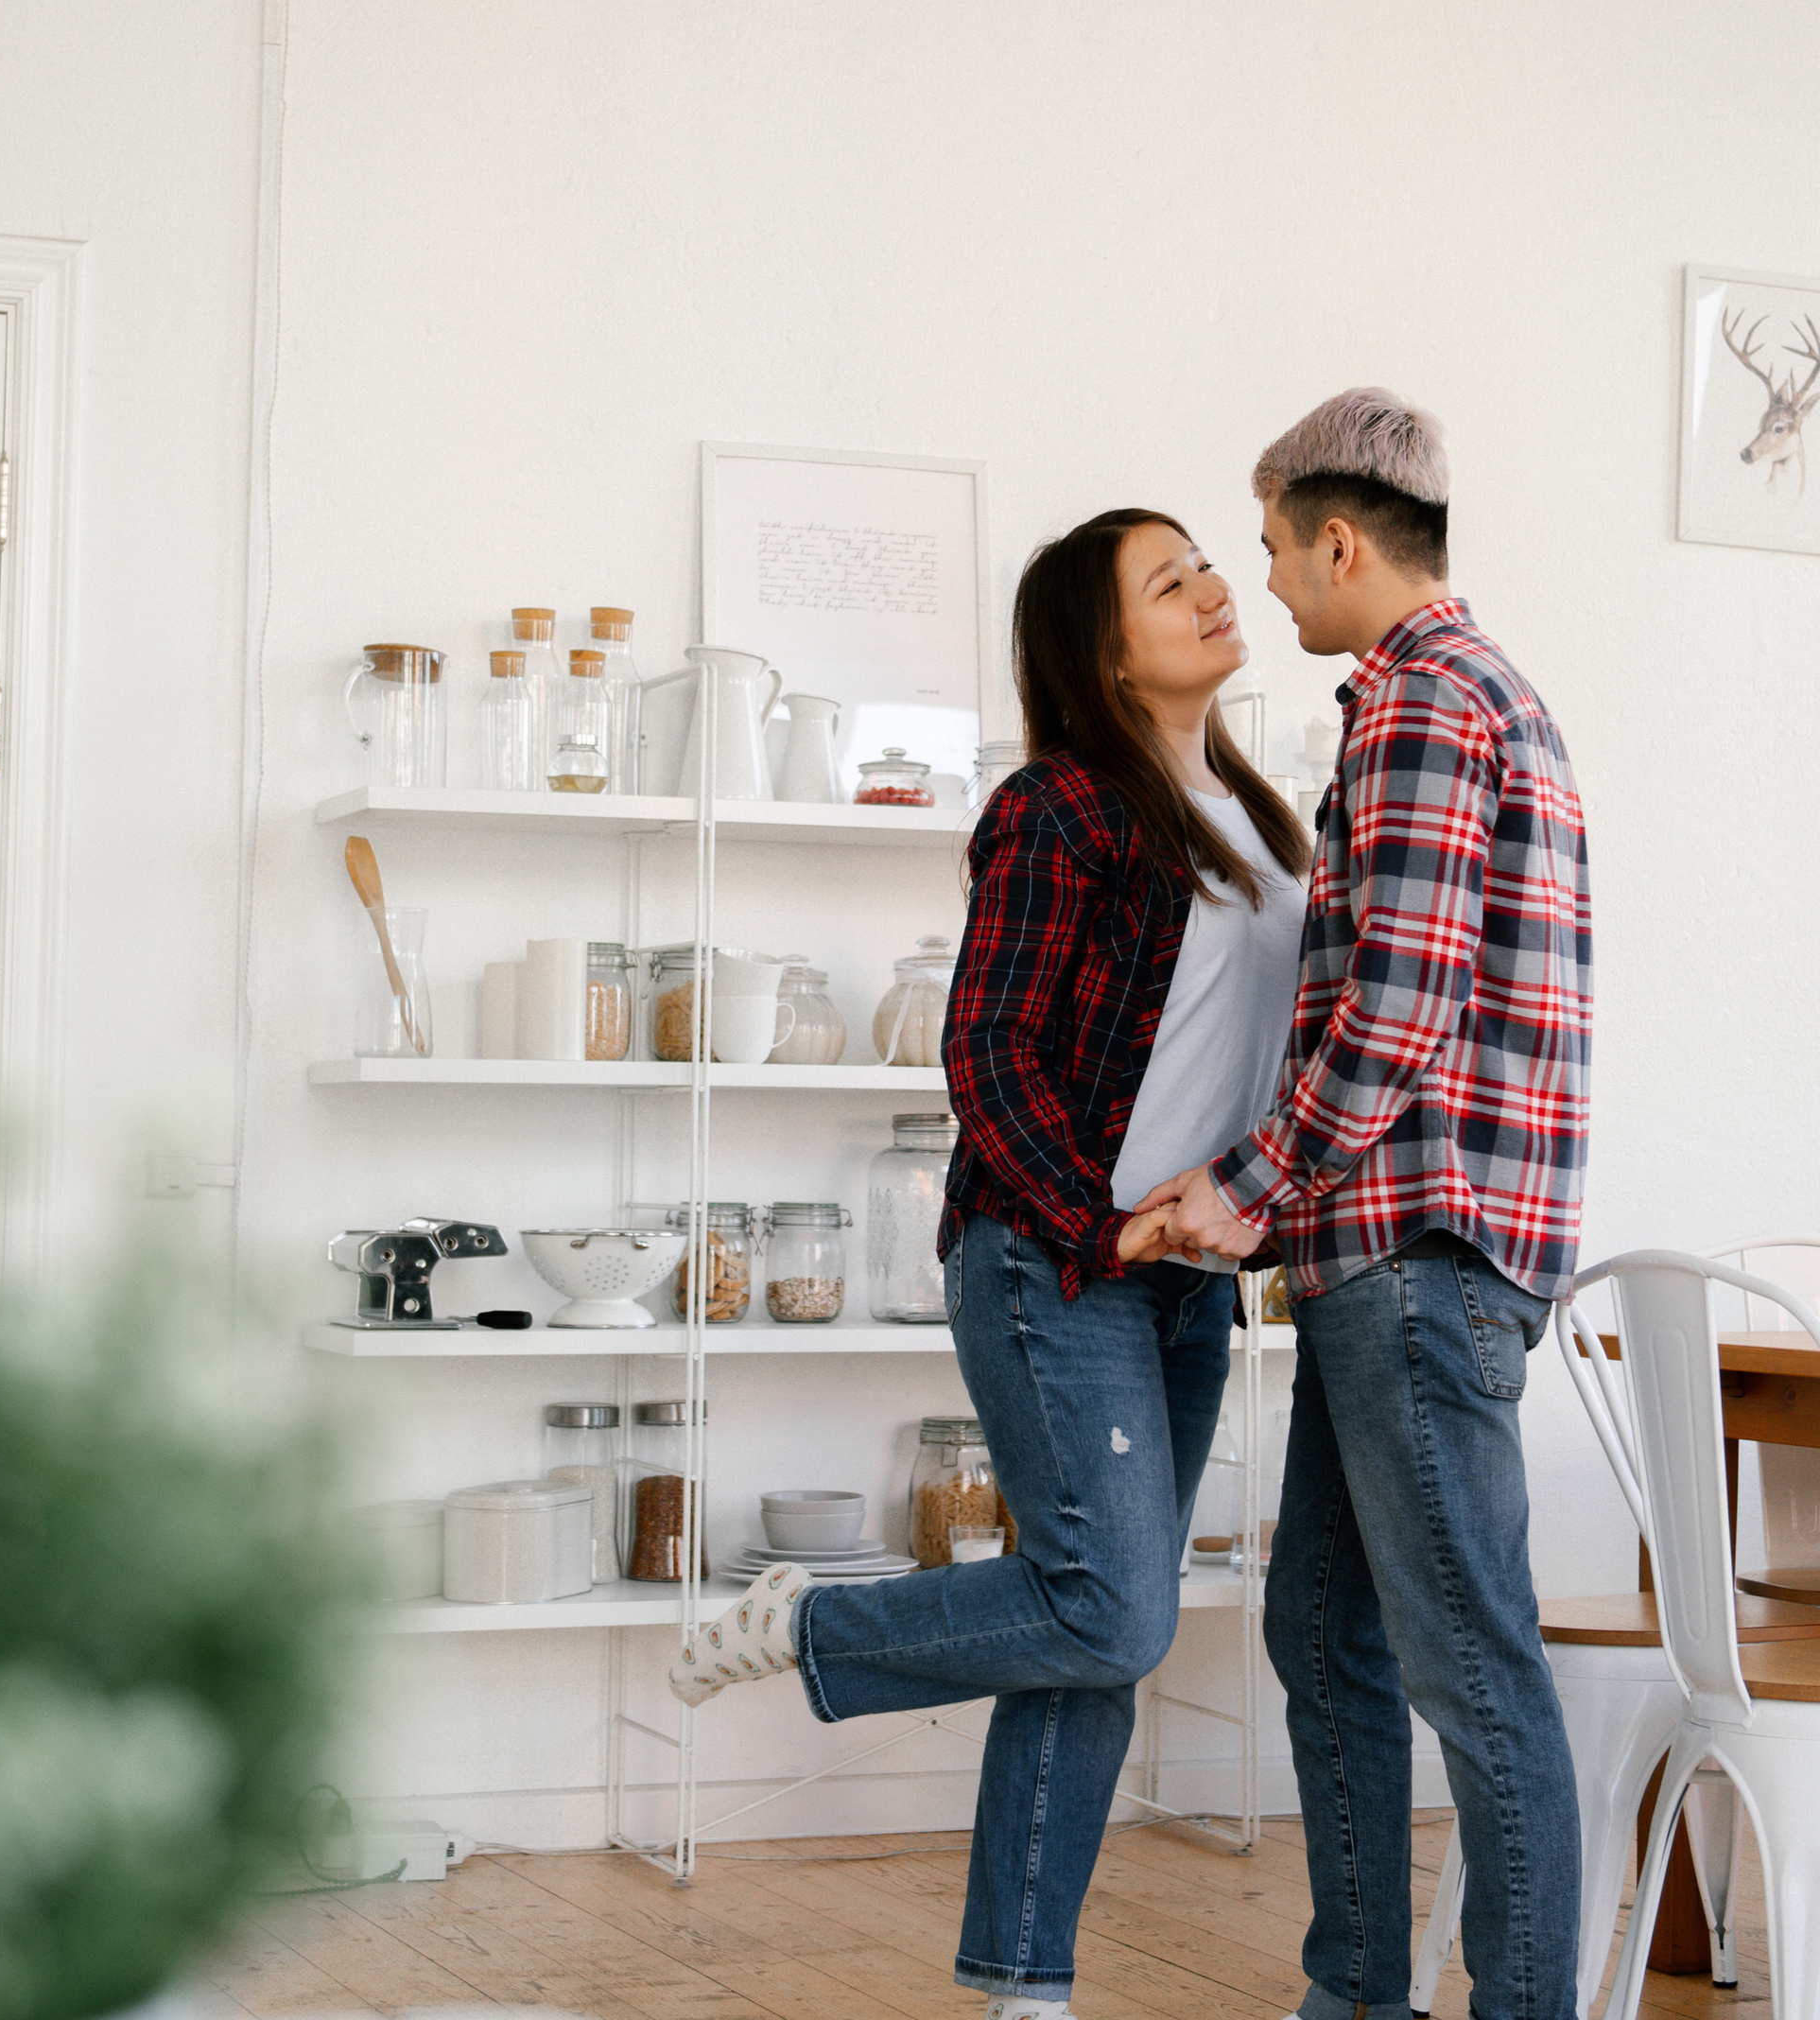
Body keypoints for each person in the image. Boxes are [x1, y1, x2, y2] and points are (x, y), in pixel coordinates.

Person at [668, 506, 1309, 2020]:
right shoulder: (1064, 808)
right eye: (1173, 582)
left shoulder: (1261, 814)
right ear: (1103, 650)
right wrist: (1099, 1222)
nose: (1216, 588)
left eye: (1210, 563)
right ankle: (812, 1622)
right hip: (1052, 1258)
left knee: (1086, 1625)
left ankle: (1024, 1987)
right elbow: (987, 1049)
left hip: (1185, 1278)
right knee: (1116, 1607)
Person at [1137, 390, 1593, 2020]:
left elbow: (1393, 1010)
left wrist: (1245, 1192)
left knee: (1470, 1666)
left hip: (1414, 1251)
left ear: (1340, 540)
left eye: (1268, 549)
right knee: (1324, 1631)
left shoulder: (1416, 706)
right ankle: (1356, 1996)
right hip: (1401, 1255)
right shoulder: (1485, 696)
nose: (1262, 585)